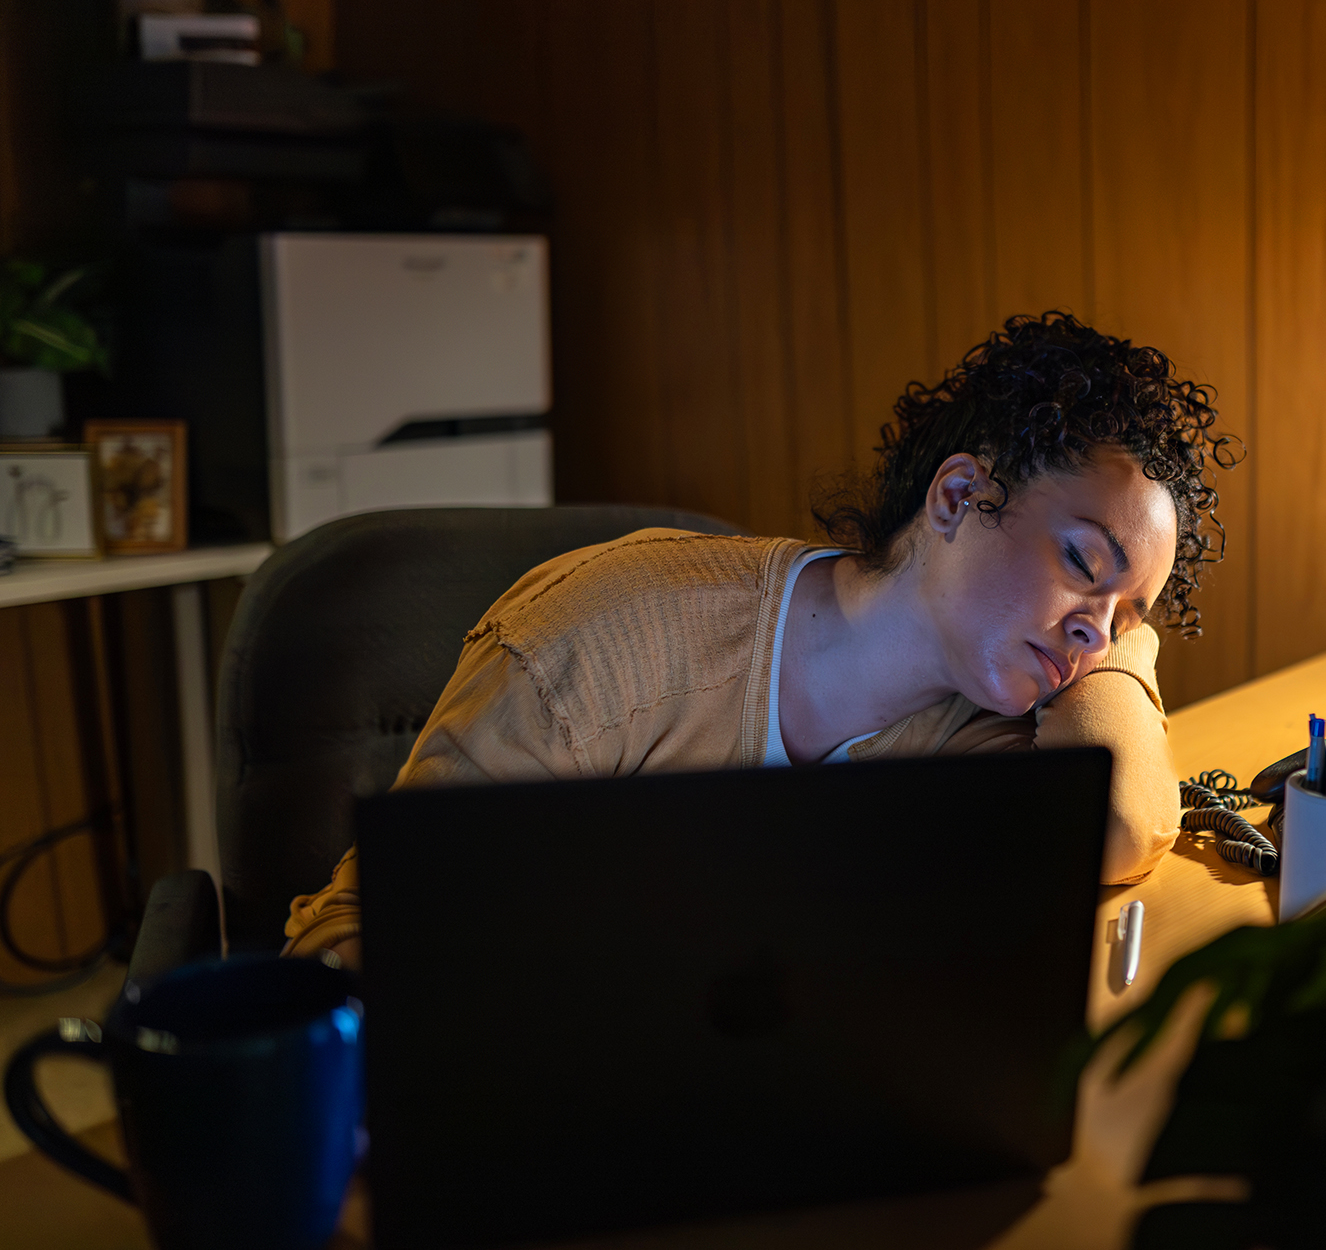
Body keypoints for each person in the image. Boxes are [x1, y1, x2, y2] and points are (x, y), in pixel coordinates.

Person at [283, 312, 1237, 968]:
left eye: (1130, 611)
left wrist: (1113, 638)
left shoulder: (996, 736)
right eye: (1082, 558)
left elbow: (1113, 823)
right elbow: (353, 939)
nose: (1095, 626)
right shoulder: (609, 642)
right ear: (956, 496)